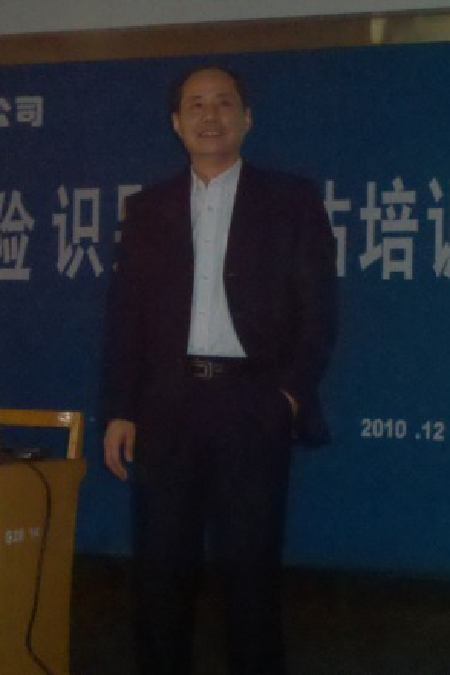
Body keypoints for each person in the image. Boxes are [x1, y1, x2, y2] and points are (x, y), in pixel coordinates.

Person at [103, 65, 337, 675]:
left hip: (250, 405)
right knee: (161, 573)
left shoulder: (290, 201)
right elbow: (127, 318)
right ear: (176, 123)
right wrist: (122, 409)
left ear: (247, 118)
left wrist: (287, 396)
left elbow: (318, 312)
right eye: (196, 104)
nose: (210, 116)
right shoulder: (147, 210)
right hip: (167, 407)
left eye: (224, 103)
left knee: (250, 575)